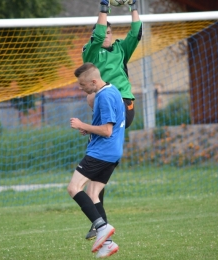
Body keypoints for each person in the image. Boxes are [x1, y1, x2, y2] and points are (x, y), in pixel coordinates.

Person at [82, 0, 142, 240]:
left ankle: (100, 223)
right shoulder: (90, 52)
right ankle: (100, 222)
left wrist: (133, 7)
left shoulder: (120, 49)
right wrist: (104, 7)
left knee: (92, 97)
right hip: (107, 114)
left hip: (123, 107)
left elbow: (136, 33)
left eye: (109, 31)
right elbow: (96, 36)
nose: (106, 34)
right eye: (102, 31)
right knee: (97, 173)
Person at [68, 62, 125, 258]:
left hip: (101, 153)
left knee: (74, 188)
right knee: (93, 194)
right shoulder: (112, 90)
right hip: (112, 152)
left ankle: (101, 227)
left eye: (83, 85)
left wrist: (81, 124)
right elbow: (105, 127)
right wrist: (89, 129)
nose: (81, 88)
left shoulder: (105, 95)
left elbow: (107, 131)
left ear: (93, 81)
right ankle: (107, 244)